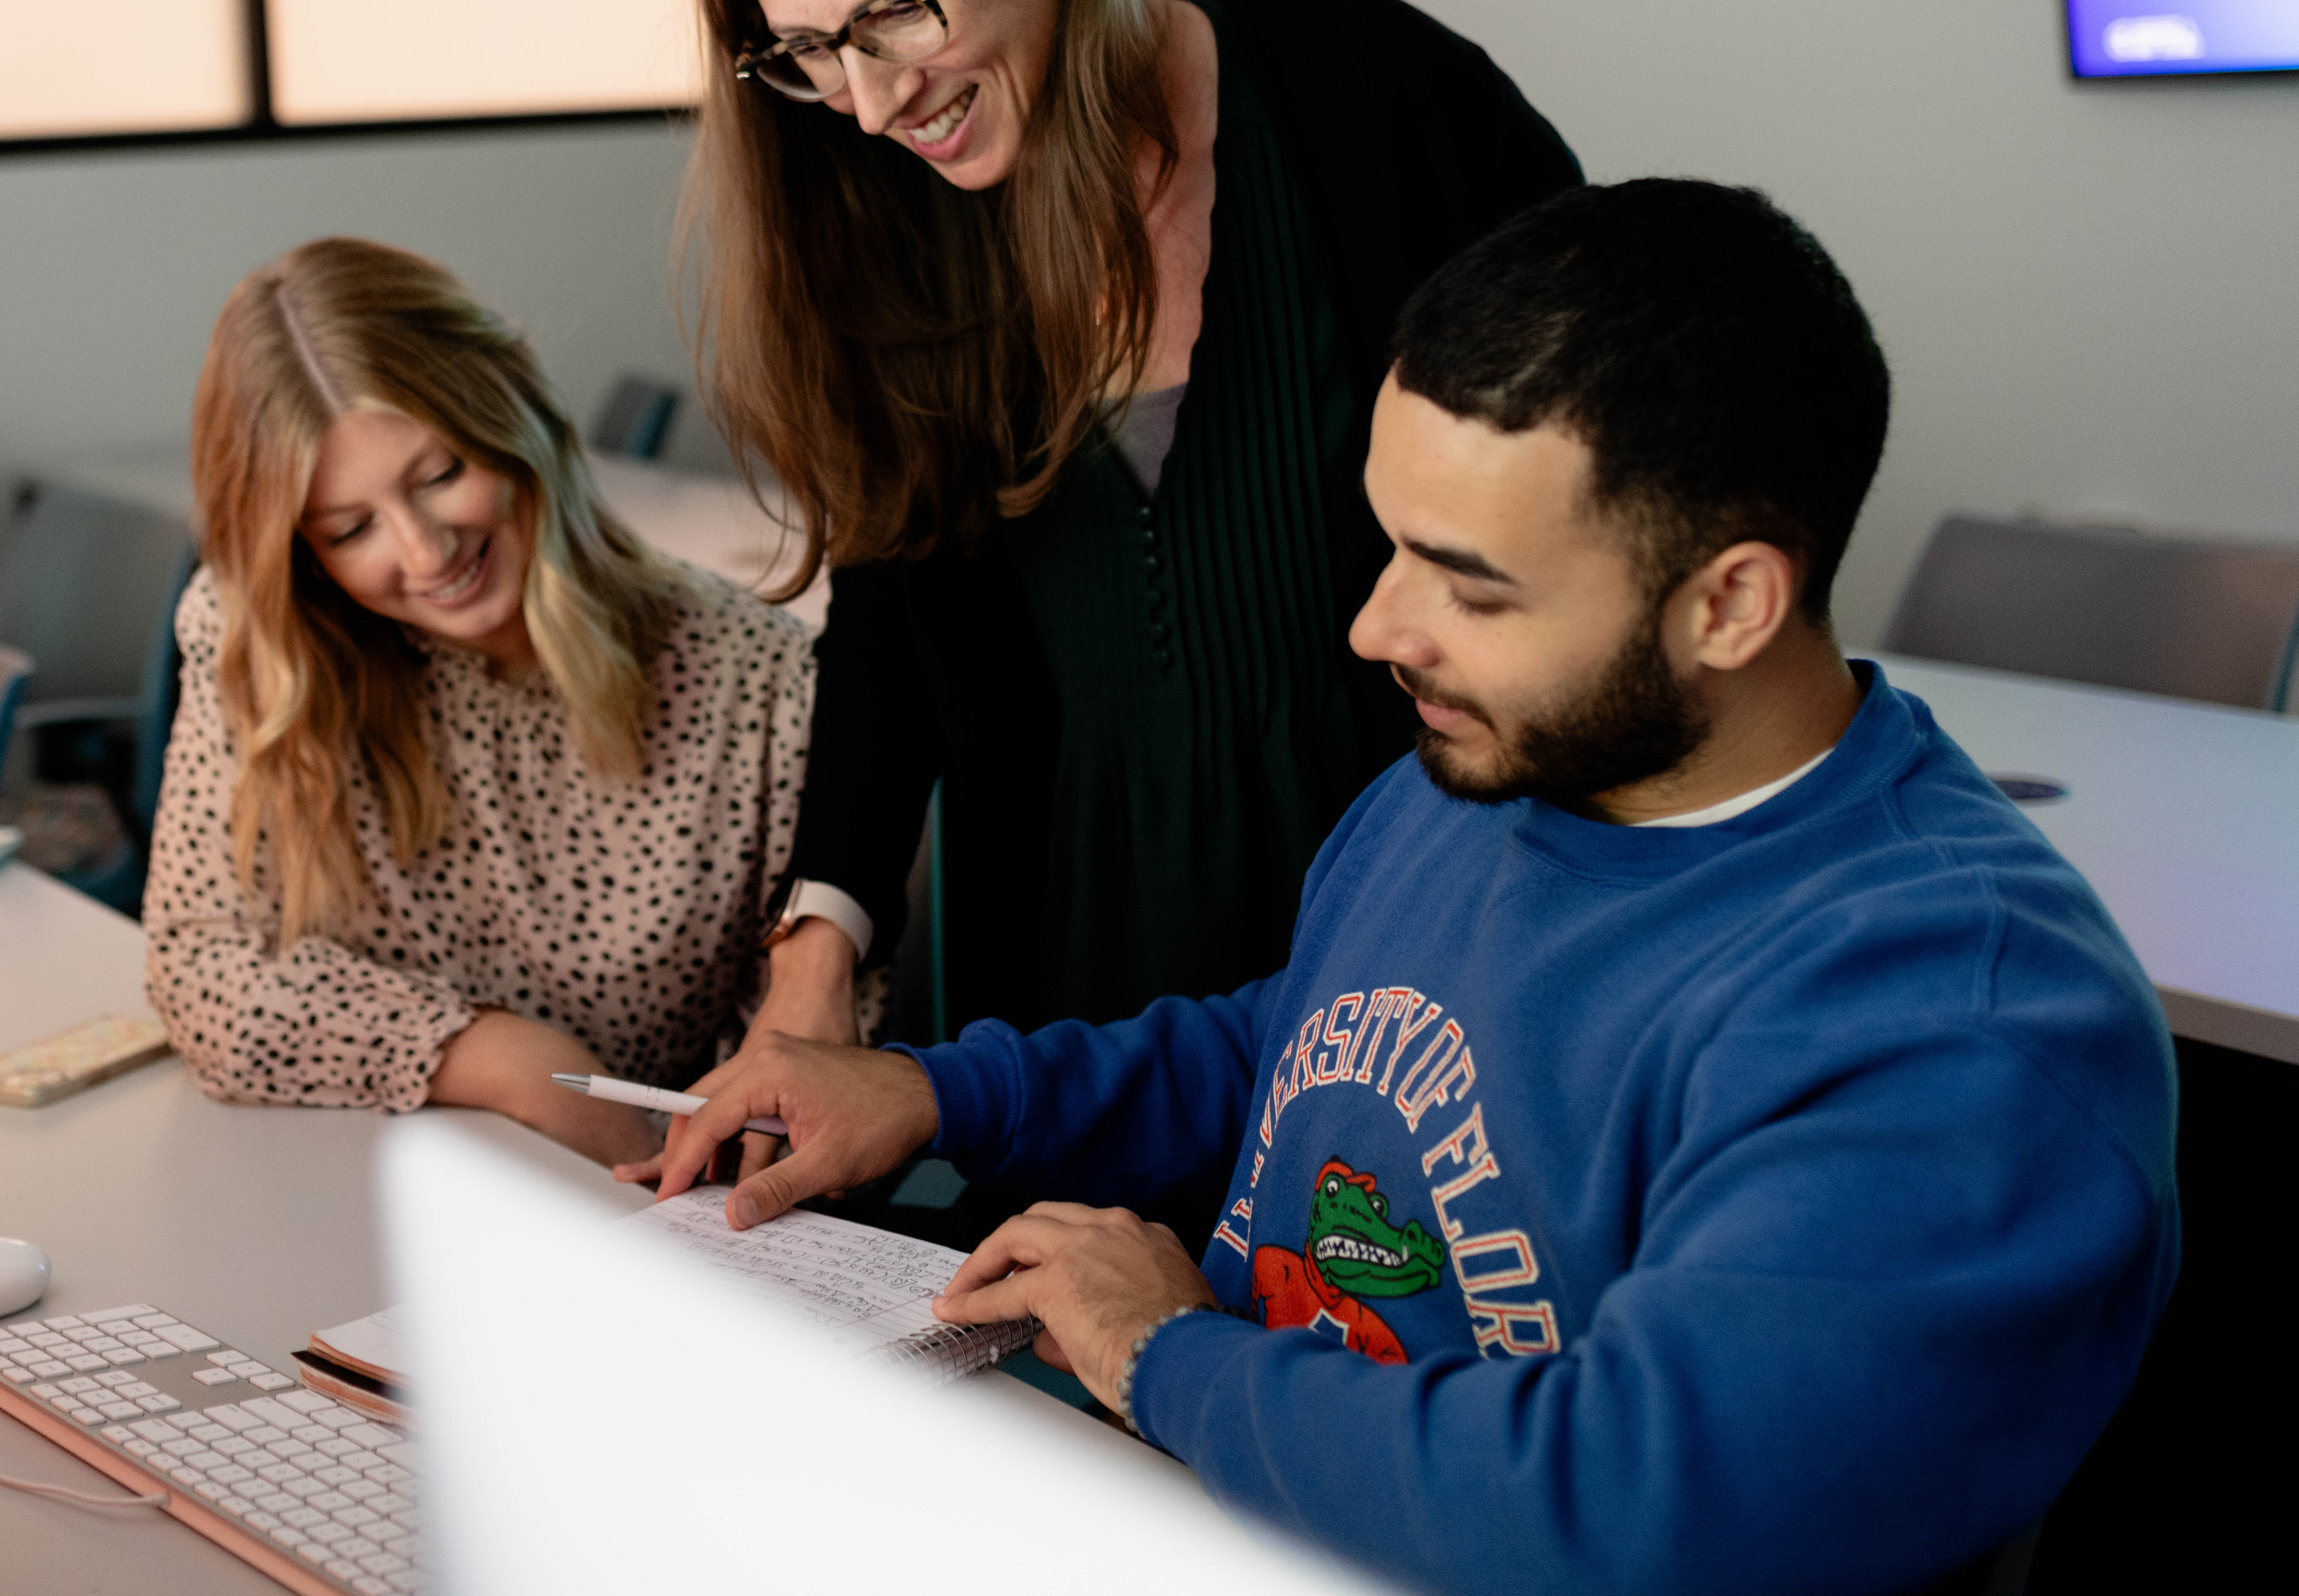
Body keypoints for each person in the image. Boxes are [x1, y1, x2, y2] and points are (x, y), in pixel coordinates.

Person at [643, 182, 2178, 1596]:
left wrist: (1166, 1352)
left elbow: (1629, 1510)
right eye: (1385, 548)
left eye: (1467, 583)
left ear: (1727, 604)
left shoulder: (1954, 1021)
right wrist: (935, 1094)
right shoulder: (1485, 772)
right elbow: (1302, 1050)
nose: (1377, 628)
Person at [691, 0, 1584, 1080]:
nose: (867, 106)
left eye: (893, 15)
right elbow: (892, 621)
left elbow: (1609, 511)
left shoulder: (1389, 104)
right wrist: (810, 967)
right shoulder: (888, 234)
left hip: (1435, 955)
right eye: (806, 53)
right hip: (1068, 1010)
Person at [143, 237, 823, 1170]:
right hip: (346, 1187)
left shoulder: (759, 679)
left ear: (514, 410)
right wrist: (508, 1060)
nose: (424, 554)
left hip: (631, 1218)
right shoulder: (265, 636)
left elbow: (804, 1096)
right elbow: (203, 968)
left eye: (441, 475)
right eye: (352, 529)